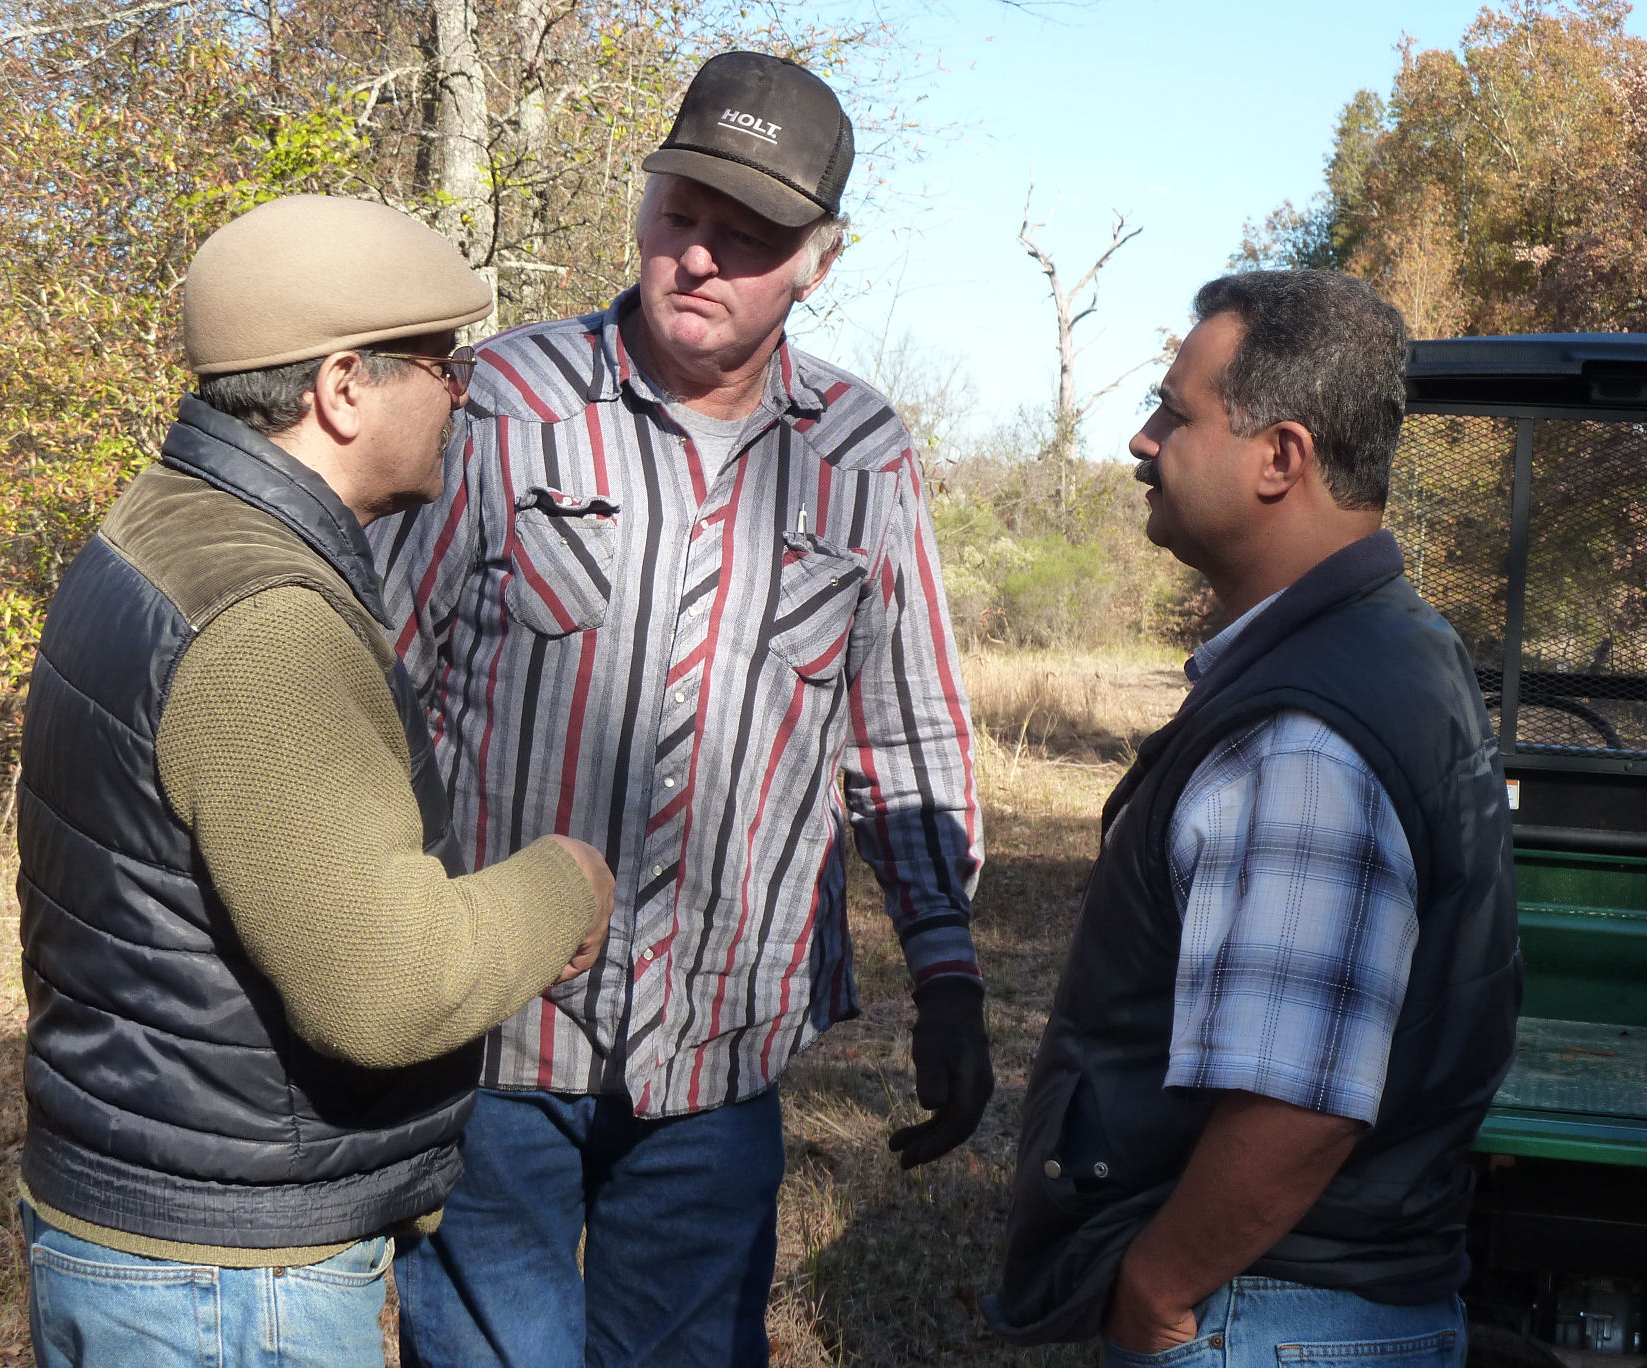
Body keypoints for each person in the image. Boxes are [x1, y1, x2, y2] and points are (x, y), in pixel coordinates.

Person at [371, 50, 991, 1368]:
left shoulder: (860, 455)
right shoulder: (501, 406)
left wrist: (946, 973)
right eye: (681, 214)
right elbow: (373, 687)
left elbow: (905, 733)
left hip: (721, 1049)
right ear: (644, 207)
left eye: (748, 235)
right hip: (494, 1042)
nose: (700, 257)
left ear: (820, 261)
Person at [13, 194, 615, 1368]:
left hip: (154, 1227)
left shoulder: (164, 525)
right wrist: (567, 884)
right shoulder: (267, 622)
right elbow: (385, 987)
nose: (462, 394)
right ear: (343, 388)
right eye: (442, 365)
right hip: (225, 1288)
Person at [984, 270, 1522, 1362]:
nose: (1143, 441)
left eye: (1175, 414)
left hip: (1265, 1315)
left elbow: (1299, 1100)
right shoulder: (1399, 643)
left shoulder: (1304, 734)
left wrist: (1160, 1289)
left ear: (1281, 457)